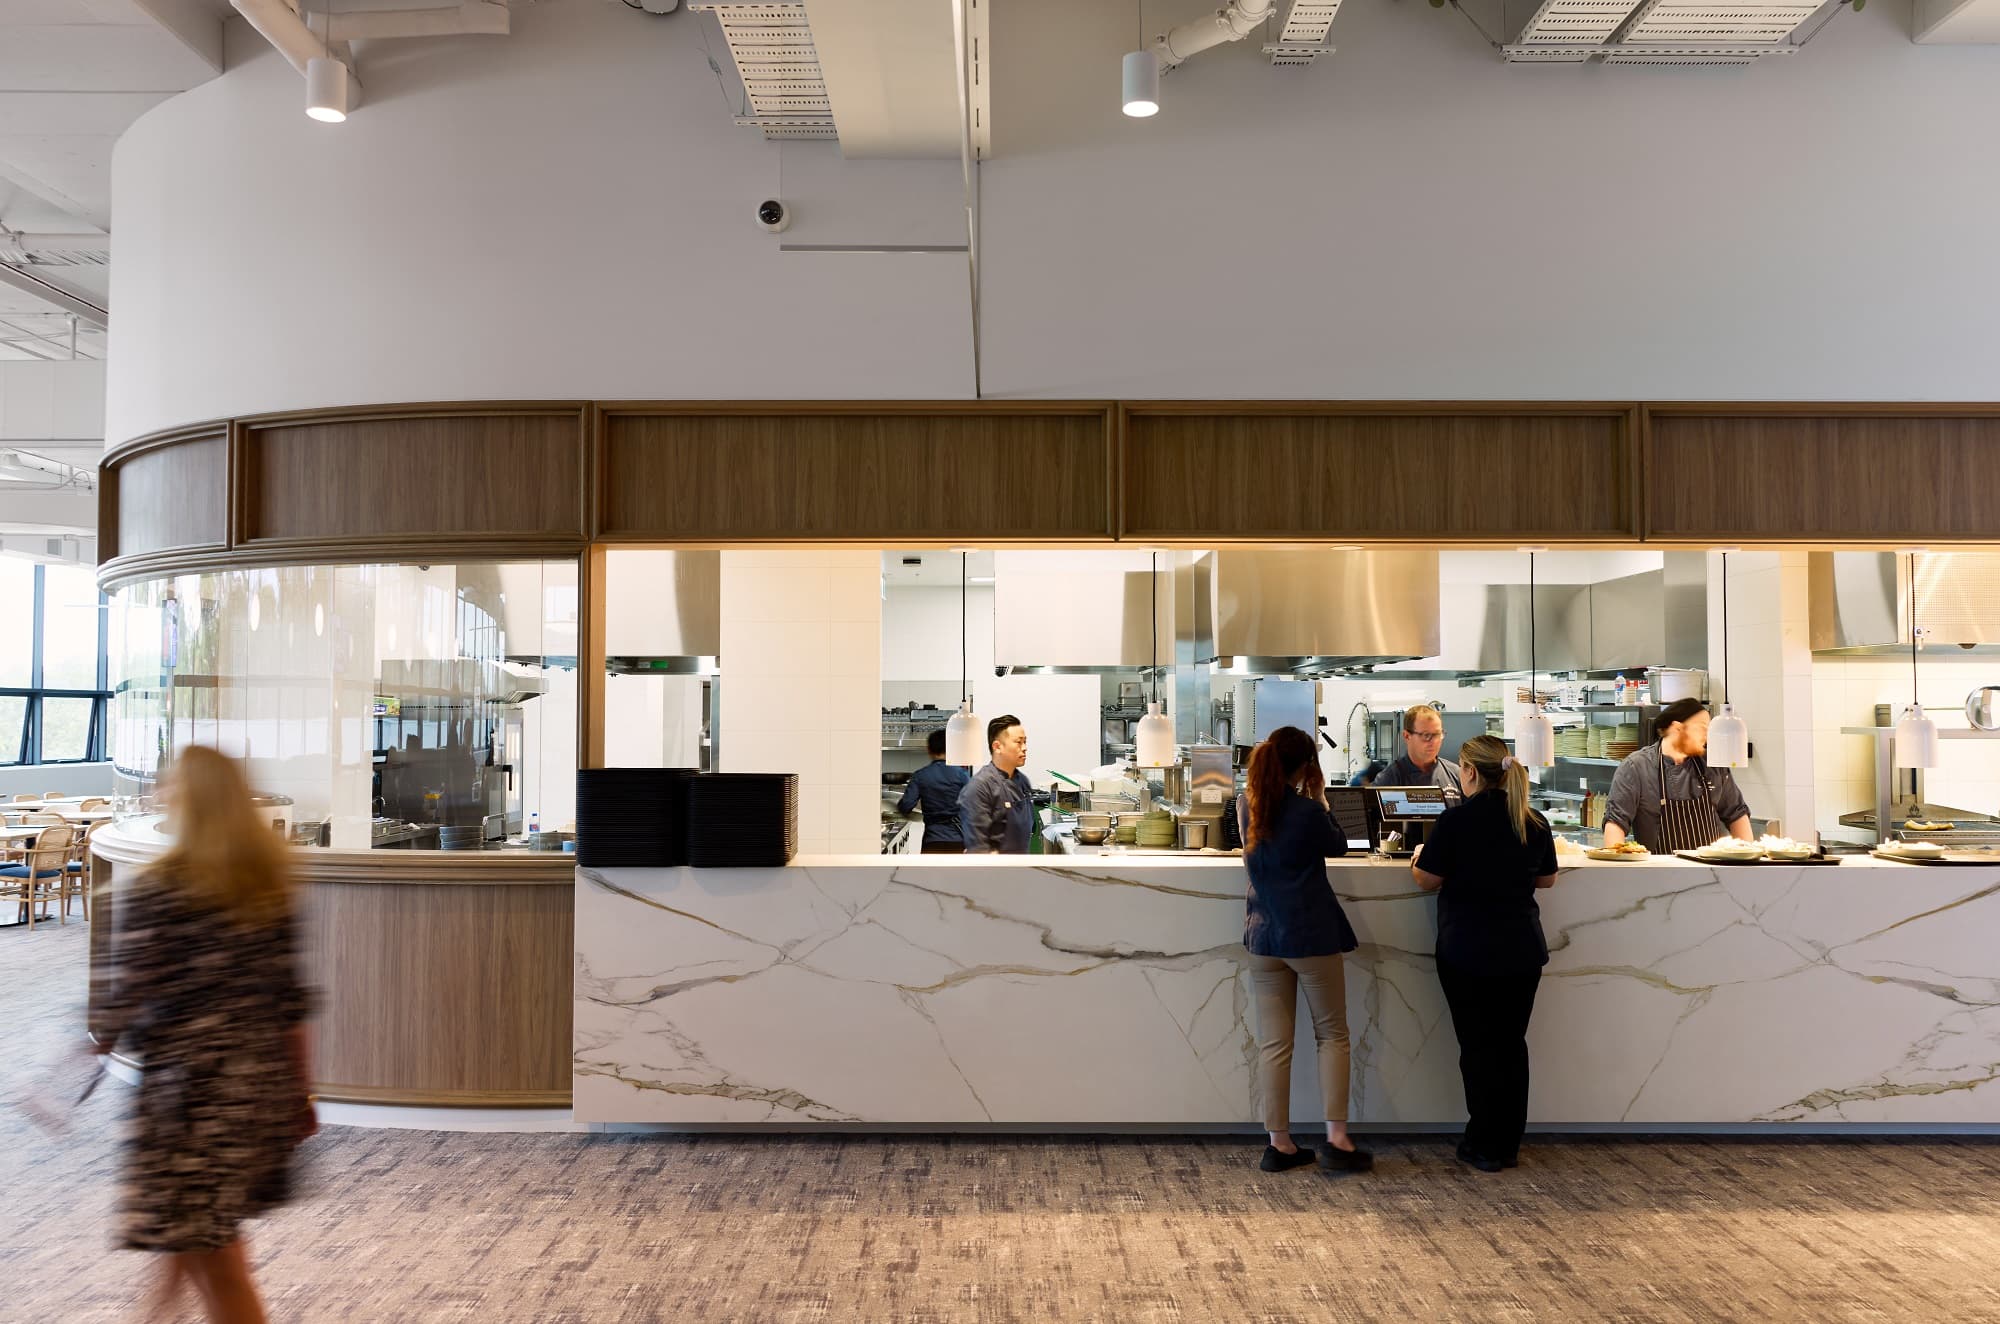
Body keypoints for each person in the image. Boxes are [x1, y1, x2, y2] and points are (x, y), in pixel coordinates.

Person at [92, 747, 316, 1324]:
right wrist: (301, 1094)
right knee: (190, 1242)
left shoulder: (161, 887)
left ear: (187, 799)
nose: (162, 793)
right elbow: (291, 1004)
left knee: (214, 1260)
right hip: (252, 1094)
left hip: (186, 1100)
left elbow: (129, 997)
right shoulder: (268, 886)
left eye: (170, 786)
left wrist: (87, 1044)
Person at [1411, 734, 1559, 1173]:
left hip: (1468, 950)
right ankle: (1507, 1143)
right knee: (1511, 1046)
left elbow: (1426, 879)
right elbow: (1547, 879)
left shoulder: (1456, 822)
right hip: (1521, 950)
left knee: (1477, 1047)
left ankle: (1483, 1143)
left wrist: (1418, 856)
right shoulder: (1532, 820)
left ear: (1470, 773)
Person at [1237, 725, 1371, 1174]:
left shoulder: (1246, 805)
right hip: (1310, 936)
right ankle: (1336, 1141)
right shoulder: (1308, 812)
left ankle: (1280, 1144)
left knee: (1275, 1044)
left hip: (1263, 937)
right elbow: (1340, 845)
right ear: (1306, 767)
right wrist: (1319, 797)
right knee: (1332, 1034)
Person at [1601, 697, 1753, 854]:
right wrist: (1616, 869)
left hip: (1711, 873)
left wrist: (1749, 861)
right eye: (1702, 728)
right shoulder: (1635, 767)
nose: (1707, 736)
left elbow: (1737, 814)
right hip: (1658, 874)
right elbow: (1615, 823)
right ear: (1677, 728)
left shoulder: (1712, 765)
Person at [959, 714, 1033, 854]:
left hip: (1022, 869)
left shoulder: (1023, 782)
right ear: (997, 746)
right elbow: (978, 849)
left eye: (1025, 742)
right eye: (1018, 742)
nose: (1024, 748)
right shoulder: (979, 787)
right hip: (993, 873)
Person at [897, 728, 972, 853]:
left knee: (929, 873)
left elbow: (906, 805)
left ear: (929, 750)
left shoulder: (920, 775)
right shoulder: (962, 774)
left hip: (932, 840)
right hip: (958, 839)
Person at [1377, 705, 1463, 793]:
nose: (1433, 741)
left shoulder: (1456, 775)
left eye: (1437, 734)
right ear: (1407, 736)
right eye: (1426, 735)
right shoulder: (1388, 780)